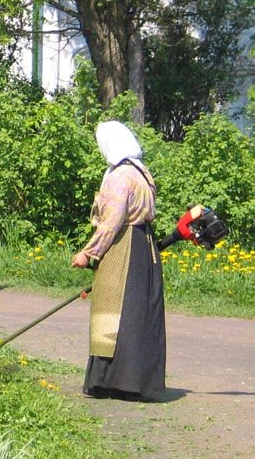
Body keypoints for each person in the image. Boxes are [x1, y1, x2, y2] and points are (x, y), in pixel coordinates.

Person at [71, 120, 165, 401]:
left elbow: (111, 222)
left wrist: (88, 253)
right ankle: (135, 381)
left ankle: (112, 381)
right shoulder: (142, 173)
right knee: (136, 312)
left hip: (122, 246)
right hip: (143, 247)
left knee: (113, 310)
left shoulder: (118, 177)